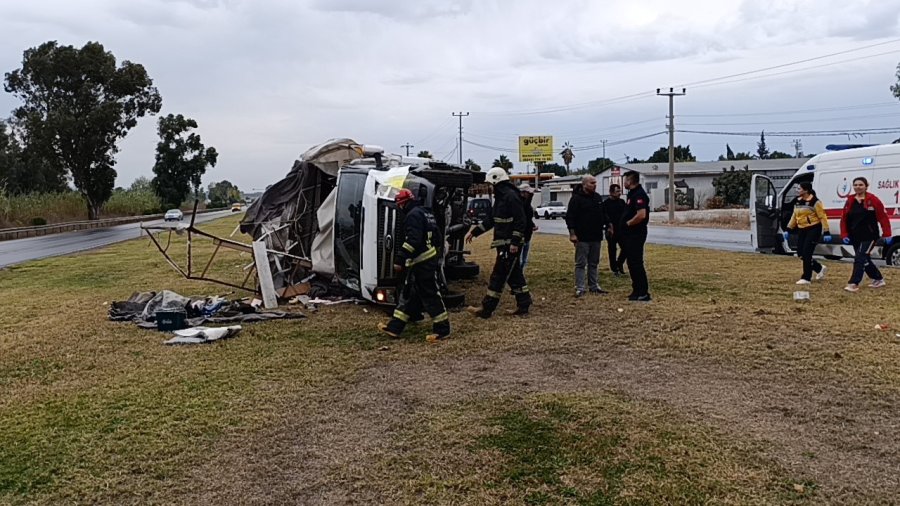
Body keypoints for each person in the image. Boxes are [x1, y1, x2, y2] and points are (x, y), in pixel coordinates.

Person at [378, 188, 450, 342]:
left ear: (402, 204)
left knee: (430, 295)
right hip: (426, 259)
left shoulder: (412, 216)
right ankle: (395, 328)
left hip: (422, 262)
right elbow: (437, 236)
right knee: (409, 295)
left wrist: (399, 259)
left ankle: (443, 330)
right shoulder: (426, 213)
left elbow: (413, 240)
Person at [465, 167, 532, 318]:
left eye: (490, 184)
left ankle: (486, 309)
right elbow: (492, 220)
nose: (489, 187)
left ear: (496, 181)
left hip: (510, 244)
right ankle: (524, 303)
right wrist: (475, 232)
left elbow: (521, 220)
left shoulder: (511, 196)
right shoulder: (502, 197)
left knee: (498, 275)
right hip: (503, 243)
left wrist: (515, 242)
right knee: (514, 275)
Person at [839, 177, 893, 292]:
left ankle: (853, 283)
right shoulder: (850, 200)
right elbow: (844, 218)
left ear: (866, 186)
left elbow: (883, 217)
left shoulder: (873, 200)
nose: (858, 187)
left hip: (870, 235)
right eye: (856, 185)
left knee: (859, 257)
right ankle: (878, 279)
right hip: (855, 235)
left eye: (860, 185)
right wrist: (844, 234)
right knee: (865, 259)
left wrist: (887, 233)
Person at [565, 175, 607, 297]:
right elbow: (570, 217)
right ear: (584, 185)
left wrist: (608, 224)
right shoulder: (576, 199)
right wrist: (572, 234)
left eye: (595, 183)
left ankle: (594, 286)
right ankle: (580, 287)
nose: (595, 185)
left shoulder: (597, 198)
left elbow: (603, 214)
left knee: (594, 263)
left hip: (596, 236)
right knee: (581, 263)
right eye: (592, 183)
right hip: (582, 237)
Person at [783, 181, 831, 285]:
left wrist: (826, 231)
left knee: (807, 253)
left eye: (799, 189)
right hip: (802, 229)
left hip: (813, 229)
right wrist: (788, 229)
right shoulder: (797, 201)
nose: (797, 190)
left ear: (806, 190)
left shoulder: (815, 201)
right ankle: (819, 268)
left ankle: (806, 277)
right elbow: (794, 216)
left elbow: (822, 217)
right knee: (801, 254)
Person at [620, 171, 651, 302]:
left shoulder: (639, 194)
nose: (624, 183)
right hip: (629, 234)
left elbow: (641, 215)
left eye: (625, 180)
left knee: (636, 263)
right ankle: (636, 290)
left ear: (630, 181)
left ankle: (643, 292)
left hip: (636, 234)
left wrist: (628, 223)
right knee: (631, 263)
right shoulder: (631, 194)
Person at [601, 183, 627, 276]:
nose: (619, 193)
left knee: (626, 248)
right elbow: (603, 217)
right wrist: (608, 226)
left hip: (621, 230)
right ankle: (614, 269)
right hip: (610, 230)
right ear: (611, 192)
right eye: (617, 191)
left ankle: (619, 263)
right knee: (612, 250)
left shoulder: (622, 202)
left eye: (620, 191)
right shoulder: (605, 204)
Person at [518, 183, 538, 270]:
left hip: (528, 235)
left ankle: (521, 276)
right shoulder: (519, 204)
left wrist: (532, 225)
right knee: (519, 260)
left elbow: (528, 218)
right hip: (520, 236)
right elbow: (524, 210)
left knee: (524, 260)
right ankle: (517, 277)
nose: (529, 195)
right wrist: (530, 196)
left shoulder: (528, 205)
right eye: (528, 193)